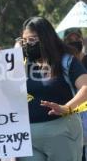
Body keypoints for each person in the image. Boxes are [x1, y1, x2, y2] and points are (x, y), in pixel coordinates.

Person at [11, 17, 87, 160]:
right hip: (29, 138)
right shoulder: (23, 63)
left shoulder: (67, 61)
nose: (27, 45)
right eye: (24, 41)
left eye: (32, 40)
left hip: (62, 133)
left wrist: (67, 108)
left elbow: (85, 87)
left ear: (46, 39)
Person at [63, 28, 87, 161]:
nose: (74, 42)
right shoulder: (64, 63)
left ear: (82, 40)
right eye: (70, 40)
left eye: (77, 39)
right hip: (71, 113)